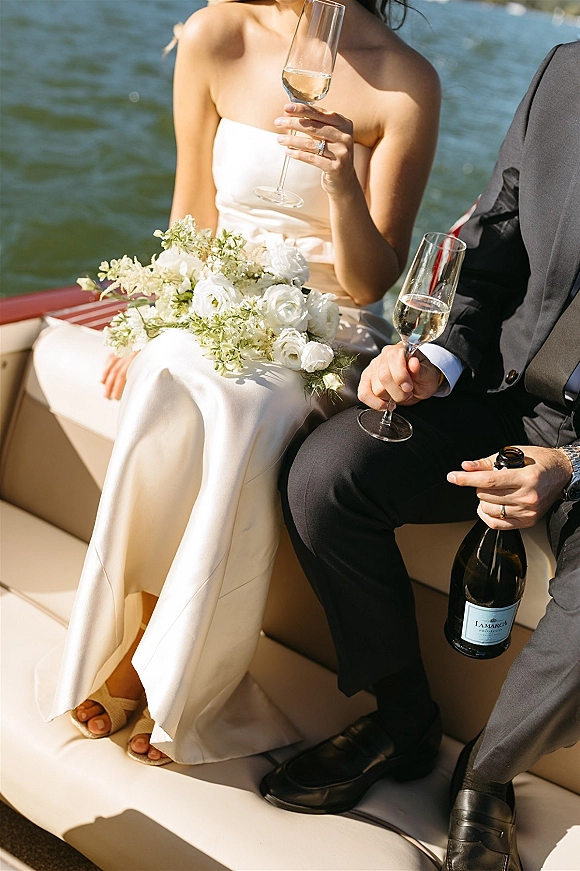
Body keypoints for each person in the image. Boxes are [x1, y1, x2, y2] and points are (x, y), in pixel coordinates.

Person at [36, 0, 441, 766]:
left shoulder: (404, 83)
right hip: (219, 292)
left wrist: (340, 186)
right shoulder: (215, 32)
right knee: (169, 372)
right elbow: (193, 210)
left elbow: (366, 285)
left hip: (326, 326)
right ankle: (137, 643)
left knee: (242, 399)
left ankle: (175, 680)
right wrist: (159, 318)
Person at [260, 41, 580, 871]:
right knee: (327, 476)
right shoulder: (562, 72)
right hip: (502, 393)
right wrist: (433, 361)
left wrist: (570, 467)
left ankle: (487, 771)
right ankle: (402, 718)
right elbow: (490, 244)